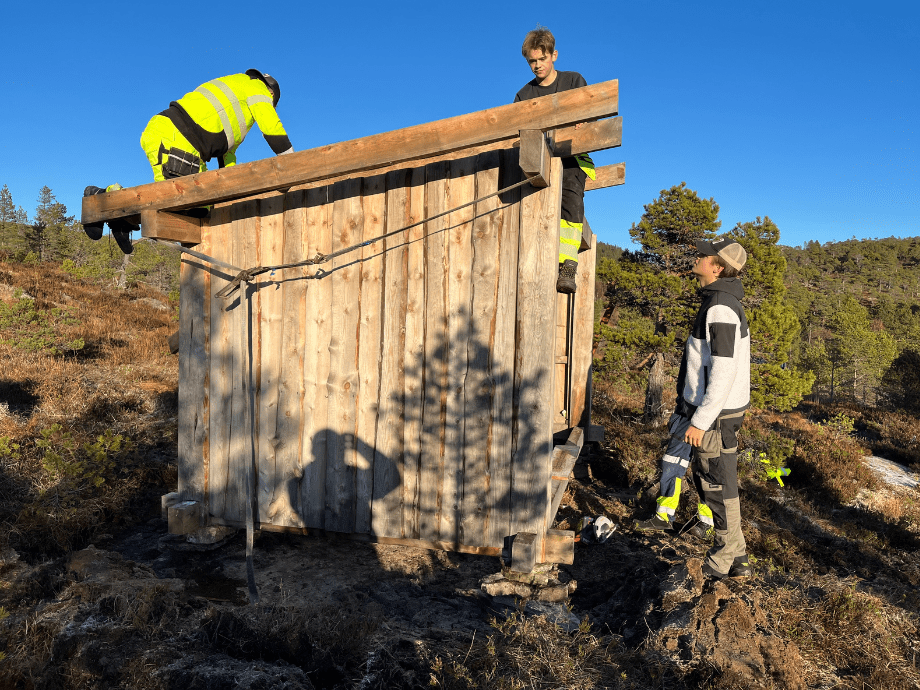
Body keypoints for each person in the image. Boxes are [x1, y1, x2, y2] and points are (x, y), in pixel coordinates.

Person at [633, 237, 752, 580]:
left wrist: (700, 420)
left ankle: (723, 557)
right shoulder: (718, 302)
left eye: (704, 255)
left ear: (716, 267)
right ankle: (739, 559)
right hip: (712, 413)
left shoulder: (720, 308)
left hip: (714, 416)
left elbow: (724, 370)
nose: (697, 257)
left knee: (717, 483)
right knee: (716, 480)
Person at [83, 69, 293, 254]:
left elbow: (227, 161)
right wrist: (290, 164)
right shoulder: (256, 88)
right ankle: (103, 197)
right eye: (271, 101)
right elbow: (271, 126)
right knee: (173, 202)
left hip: (175, 137)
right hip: (178, 139)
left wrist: (230, 191)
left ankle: (124, 218)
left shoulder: (235, 98)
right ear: (271, 93)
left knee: (200, 210)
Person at [514, 27, 595, 294]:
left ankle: (568, 264)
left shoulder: (574, 81)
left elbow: (591, 118)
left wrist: (584, 120)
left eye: (542, 59)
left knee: (571, 196)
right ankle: (531, 261)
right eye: (532, 62)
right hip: (539, 159)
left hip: (573, 156)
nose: (537, 65)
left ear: (554, 55)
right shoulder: (524, 95)